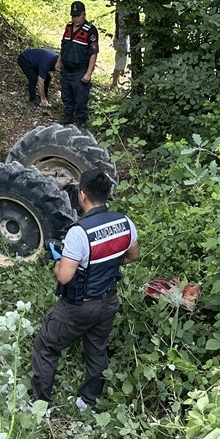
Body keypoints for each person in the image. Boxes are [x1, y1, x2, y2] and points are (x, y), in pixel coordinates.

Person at [31, 168, 140, 410]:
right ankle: (87, 401)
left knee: (46, 345)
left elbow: (66, 276)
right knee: (96, 348)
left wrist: (57, 263)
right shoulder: (125, 222)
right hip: (108, 301)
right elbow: (133, 256)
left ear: (82, 195)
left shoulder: (79, 232)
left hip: (79, 305)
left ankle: (41, 405)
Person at [59, 0, 99, 126]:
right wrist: (59, 61)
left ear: (84, 14)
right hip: (66, 69)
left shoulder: (90, 31)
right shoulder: (69, 27)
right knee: (66, 96)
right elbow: (63, 45)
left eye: (78, 16)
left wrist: (88, 73)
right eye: (73, 16)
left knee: (81, 98)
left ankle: (81, 123)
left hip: (80, 70)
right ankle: (67, 119)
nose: (76, 19)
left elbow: (93, 53)